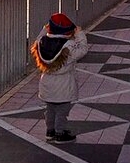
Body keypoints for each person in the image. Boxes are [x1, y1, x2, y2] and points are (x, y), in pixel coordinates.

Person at [30, 12, 89, 143]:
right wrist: (80, 34)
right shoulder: (67, 47)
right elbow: (83, 49)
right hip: (64, 85)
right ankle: (60, 133)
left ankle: (49, 131)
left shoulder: (41, 44)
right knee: (62, 111)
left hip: (47, 84)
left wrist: (45, 29)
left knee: (50, 109)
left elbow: (37, 39)